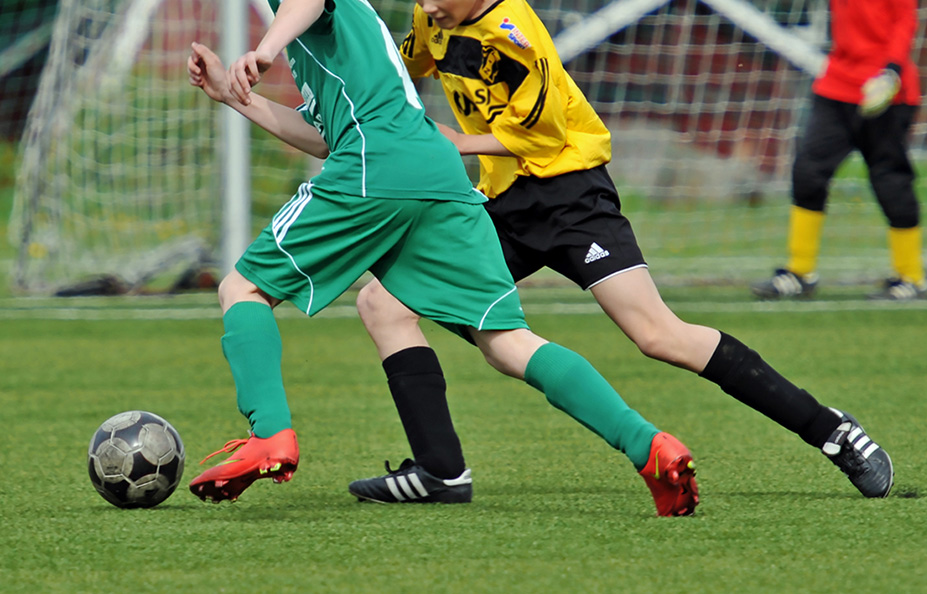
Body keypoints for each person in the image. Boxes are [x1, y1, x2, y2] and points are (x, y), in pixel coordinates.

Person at [349, 0, 894, 503]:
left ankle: (831, 430)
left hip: (570, 196)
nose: (432, 6)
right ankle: (439, 472)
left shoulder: (514, 34)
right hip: (502, 204)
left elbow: (545, 134)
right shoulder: (433, 15)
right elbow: (402, 72)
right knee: (384, 302)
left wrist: (456, 142)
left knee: (660, 336)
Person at [186, 0, 698, 516]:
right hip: (434, 166)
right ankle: (647, 446)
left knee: (243, 288)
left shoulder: (296, 13)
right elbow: (324, 138)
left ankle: (269, 434)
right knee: (495, 339)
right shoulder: (332, 31)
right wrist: (236, 97)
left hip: (376, 163)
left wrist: (264, 50)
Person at [751, 0, 925, 301]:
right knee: (807, 171)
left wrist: (892, 70)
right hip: (837, 83)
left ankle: (911, 278)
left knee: (890, 181)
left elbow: (904, 20)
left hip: (886, 88)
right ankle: (800, 273)